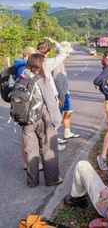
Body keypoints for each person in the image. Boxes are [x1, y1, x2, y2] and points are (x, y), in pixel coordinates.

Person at [22, 53, 63, 188]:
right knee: (48, 148)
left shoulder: (22, 76)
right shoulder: (41, 79)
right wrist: (56, 122)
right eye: (44, 62)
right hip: (41, 116)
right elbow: (50, 102)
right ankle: (52, 179)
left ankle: (32, 181)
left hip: (26, 119)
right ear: (40, 63)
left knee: (31, 150)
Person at [37, 37, 68, 149]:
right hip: (49, 95)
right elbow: (63, 54)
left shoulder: (31, 62)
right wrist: (57, 44)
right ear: (48, 52)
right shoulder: (48, 62)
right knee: (51, 121)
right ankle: (52, 145)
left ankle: (41, 145)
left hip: (36, 96)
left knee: (40, 122)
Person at [14, 47, 40, 171]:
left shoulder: (19, 66)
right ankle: (30, 163)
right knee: (29, 137)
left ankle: (27, 163)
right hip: (26, 108)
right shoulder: (24, 69)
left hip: (20, 107)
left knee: (26, 136)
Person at [52, 41, 81, 144]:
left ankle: (67, 132)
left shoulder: (62, 61)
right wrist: (61, 96)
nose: (68, 54)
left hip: (65, 92)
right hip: (60, 94)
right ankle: (53, 138)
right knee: (57, 117)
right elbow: (57, 80)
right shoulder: (57, 62)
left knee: (69, 111)